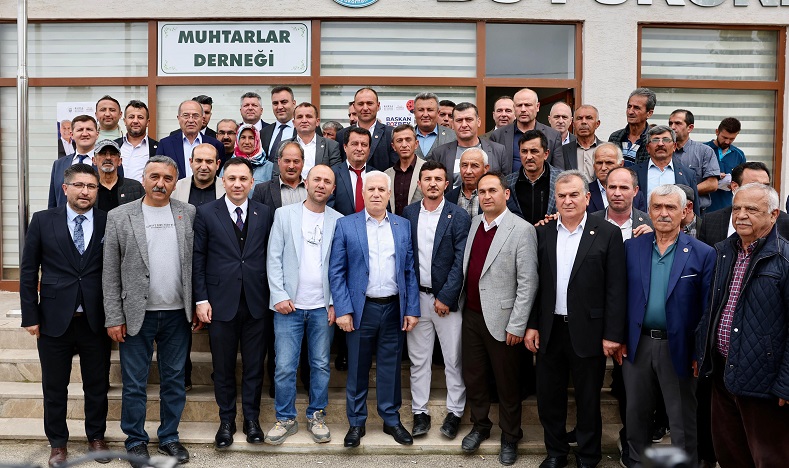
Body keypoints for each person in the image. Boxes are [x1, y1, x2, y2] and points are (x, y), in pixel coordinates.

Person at [525, 170, 626, 468]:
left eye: (573, 195)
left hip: (590, 330)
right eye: (561, 196)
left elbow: (616, 288)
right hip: (550, 329)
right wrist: (532, 325)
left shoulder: (607, 233)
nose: (567, 201)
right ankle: (556, 452)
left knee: (588, 398)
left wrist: (612, 334)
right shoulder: (542, 232)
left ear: (587, 197)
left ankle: (588, 454)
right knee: (549, 397)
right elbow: (535, 284)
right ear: (555, 199)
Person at [103, 156, 196, 467]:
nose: (160, 183)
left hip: (177, 314)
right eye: (154, 176)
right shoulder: (119, 216)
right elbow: (110, 272)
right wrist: (114, 316)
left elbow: (195, 263)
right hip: (135, 314)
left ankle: (169, 437)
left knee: (174, 380)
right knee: (134, 383)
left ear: (175, 182)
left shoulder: (187, 213)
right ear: (143, 179)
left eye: (167, 178)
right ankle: (135, 440)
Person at [20, 164, 111, 468]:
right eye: (79, 185)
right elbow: (28, 271)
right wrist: (30, 315)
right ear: (65, 188)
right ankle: (58, 444)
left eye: (91, 186)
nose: (85, 191)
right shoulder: (42, 220)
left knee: (97, 385)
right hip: (53, 318)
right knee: (54, 387)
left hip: (95, 319)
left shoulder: (108, 220)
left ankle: (96, 437)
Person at [695, 182, 789, 468]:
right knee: (730, 454)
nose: (741, 215)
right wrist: (703, 352)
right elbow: (711, 308)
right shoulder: (724, 251)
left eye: (752, 209)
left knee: (769, 458)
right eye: (737, 208)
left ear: (773, 215)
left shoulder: (784, 258)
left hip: (764, 382)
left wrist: (785, 384)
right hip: (722, 372)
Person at [621, 184, 716, 467]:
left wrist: (699, 352)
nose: (663, 213)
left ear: (685, 211)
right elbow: (619, 296)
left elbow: (707, 308)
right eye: (657, 207)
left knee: (681, 418)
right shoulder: (631, 248)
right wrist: (620, 337)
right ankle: (637, 462)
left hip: (680, 347)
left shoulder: (703, 253)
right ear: (648, 211)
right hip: (637, 345)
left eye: (670, 207)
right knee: (636, 414)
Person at [328, 171, 420, 448]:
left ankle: (391, 419)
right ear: (363, 193)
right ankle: (356, 422)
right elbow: (336, 272)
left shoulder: (403, 226)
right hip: (361, 309)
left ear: (389, 194)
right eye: (371, 189)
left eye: (382, 189)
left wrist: (412, 309)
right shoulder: (346, 225)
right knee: (357, 366)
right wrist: (343, 310)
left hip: (393, 307)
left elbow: (409, 270)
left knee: (390, 367)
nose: (377, 194)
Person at [192, 157, 273, 450]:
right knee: (223, 366)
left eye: (243, 179)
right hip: (219, 303)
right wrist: (201, 299)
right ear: (222, 181)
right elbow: (198, 257)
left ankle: (251, 420)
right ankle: (226, 421)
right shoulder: (205, 213)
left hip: (257, 301)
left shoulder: (265, 212)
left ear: (252, 182)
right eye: (232, 179)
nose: (237, 184)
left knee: (254, 366)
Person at [459, 172, 538, 466]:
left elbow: (528, 282)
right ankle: (480, 425)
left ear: (506, 194)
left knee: (507, 383)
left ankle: (510, 435)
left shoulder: (522, 229)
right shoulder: (474, 224)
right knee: (475, 377)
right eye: (482, 191)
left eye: (492, 190)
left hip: (504, 321)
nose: (486, 196)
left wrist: (517, 324)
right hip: (471, 315)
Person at [267, 164, 342, 445]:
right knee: (285, 366)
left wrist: (335, 303)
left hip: (322, 307)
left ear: (333, 189)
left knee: (320, 364)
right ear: (306, 183)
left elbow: (340, 266)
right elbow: (273, 257)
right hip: (289, 306)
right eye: (316, 179)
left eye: (327, 181)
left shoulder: (339, 220)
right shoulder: (284, 215)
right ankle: (286, 418)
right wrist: (278, 295)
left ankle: (316, 415)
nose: (321, 185)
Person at [402, 160, 471, 440]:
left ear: (446, 184)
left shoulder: (459, 215)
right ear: (419, 183)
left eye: (438, 179)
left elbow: (461, 260)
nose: (432, 183)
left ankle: (455, 413)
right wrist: (409, 301)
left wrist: (446, 296)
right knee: (419, 360)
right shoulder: (408, 213)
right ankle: (420, 412)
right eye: (427, 179)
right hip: (417, 298)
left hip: (447, 302)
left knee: (453, 358)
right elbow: (406, 259)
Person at [698, 161, 789, 246]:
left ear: (774, 215)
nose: (761, 191)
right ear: (735, 187)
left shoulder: (785, 223)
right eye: (754, 186)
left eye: (765, 186)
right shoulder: (711, 221)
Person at [428, 102, 508, 187]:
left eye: (469, 119)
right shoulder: (440, 153)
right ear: (453, 124)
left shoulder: (498, 151)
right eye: (459, 120)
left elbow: (505, 185)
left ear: (478, 122)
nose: (464, 125)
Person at [632, 125, 700, 217]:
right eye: (655, 140)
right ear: (648, 148)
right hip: (643, 224)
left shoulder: (688, 174)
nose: (660, 144)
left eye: (666, 140)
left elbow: (694, 210)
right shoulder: (633, 172)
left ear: (674, 146)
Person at [490, 88, 563, 172]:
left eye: (527, 105)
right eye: (519, 105)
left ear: (537, 107)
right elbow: (494, 170)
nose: (523, 109)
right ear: (514, 108)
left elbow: (559, 172)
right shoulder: (498, 136)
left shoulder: (553, 136)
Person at [156, 100, 225, 180]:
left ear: (202, 119)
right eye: (186, 116)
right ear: (178, 118)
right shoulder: (165, 145)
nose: (191, 120)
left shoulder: (215, 145)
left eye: (195, 116)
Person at [668, 109, 720, 213]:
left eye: (678, 123)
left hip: (695, 212)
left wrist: (683, 193)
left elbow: (712, 184)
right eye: (670, 123)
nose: (672, 127)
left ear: (690, 128)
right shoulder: (662, 151)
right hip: (667, 209)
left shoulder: (704, 151)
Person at [336, 87, 397, 171]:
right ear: (354, 106)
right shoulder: (341, 135)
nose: (365, 108)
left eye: (369, 103)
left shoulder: (391, 134)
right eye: (360, 104)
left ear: (378, 106)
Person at [505, 130, 559, 225]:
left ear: (546, 154)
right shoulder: (508, 182)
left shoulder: (561, 179)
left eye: (534, 151)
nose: (529, 157)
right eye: (524, 151)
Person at [49, 115, 99, 209]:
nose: (85, 134)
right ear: (72, 135)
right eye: (80, 130)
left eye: (89, 129)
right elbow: (53, 201)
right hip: (63, 217)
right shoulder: (59, 164)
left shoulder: (105, 163)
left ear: (97, 134)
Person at [588, 144, 647, 215]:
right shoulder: (584, 192)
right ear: (594, 166)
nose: (603, 168)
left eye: (609, 163)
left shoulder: (637, 195)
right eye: (599, 163)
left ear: (621, 164)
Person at [705, 118, 746, 212]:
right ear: (717, 132)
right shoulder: (703, 150)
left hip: (727, 207)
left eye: (732, 139)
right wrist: (714, 176)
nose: (727, 142)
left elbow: (743, 182)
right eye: (724, 137)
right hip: (704, 207)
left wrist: (735, 184)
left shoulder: (739, 155)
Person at [290, 102, 341, 178]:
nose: (304, 120)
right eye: (300, 117)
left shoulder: (331, 146)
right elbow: (277, 176)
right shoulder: (284, 146)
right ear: (294, 123)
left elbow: (335, 176)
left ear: (317, 122)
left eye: (309, 116)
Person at [252, 141, 307, 210]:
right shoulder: (262, 191)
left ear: (303, 162)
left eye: (296, 161)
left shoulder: (312, 189)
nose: (291, 166)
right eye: (287, 161)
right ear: (279, 161)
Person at [384, 124, 425, 216]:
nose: (404, 145)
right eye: (399, 141)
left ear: (416, 144)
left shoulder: (427, 170)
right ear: (393, 146)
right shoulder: (387, 174)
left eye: (408, 140)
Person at [608, 88, 656, 165]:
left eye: (636, 108)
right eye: (629, 107)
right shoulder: (615, 137)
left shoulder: (654, 140)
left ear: (649, 113)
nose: (630, 112)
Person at [94, 139, 144, 212]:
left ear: (120, 161)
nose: (108, 157)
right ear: (94, 160)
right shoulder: (88, 188)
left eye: (113, 154)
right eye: (103, 154)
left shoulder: (135, 188)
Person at [116, 100, 159, 183]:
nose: (135, 121)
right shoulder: (115, 146)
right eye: (131, 117)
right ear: (125, 121)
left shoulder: (158, 148)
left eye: (140, 117)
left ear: (147, 122)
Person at [559, 105, 602, 177]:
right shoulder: (563, 151)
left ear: (597, 124)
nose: (583, 122)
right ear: (573, 124)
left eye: (589, 118)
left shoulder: (606, 149)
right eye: (579, 118)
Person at [445, 148, 490, 218]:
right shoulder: (448, 198)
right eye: (464, 165)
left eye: (474, 166)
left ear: (485, 168)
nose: (468, 171)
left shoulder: (495, 196)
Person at [413, 92, 457, 160]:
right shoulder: (405, 136)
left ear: (438, 113)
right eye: (421, 110)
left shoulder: (453, 136)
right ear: (414, 113)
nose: (425, 115)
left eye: (430, 110)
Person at [261, 86, 297, 160]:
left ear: (293, 103)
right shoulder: (264, 132)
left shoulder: (306, 129)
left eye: (284, 102)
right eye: (275, 103)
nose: (279, 107)